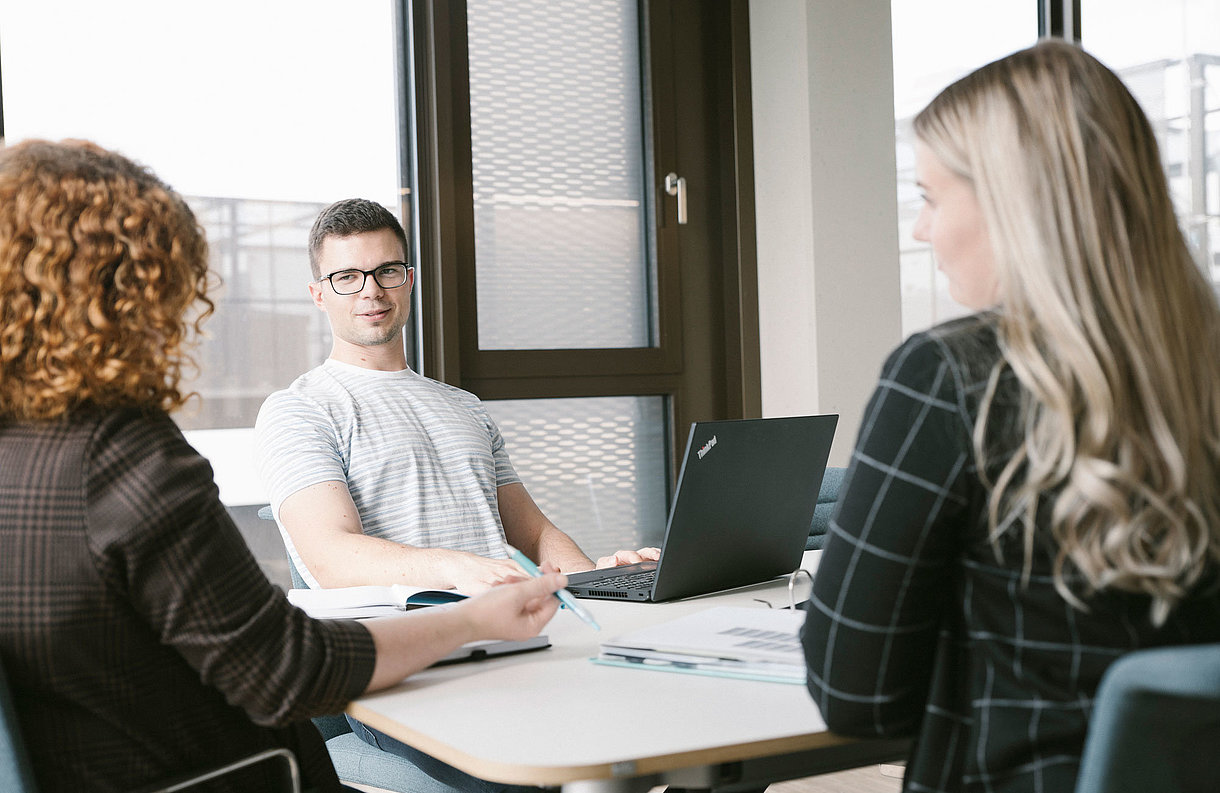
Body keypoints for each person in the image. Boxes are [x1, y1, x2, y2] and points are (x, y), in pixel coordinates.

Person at [0, 138, 565, 793]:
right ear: (134, 290)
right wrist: (472, 619)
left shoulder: (28, 452)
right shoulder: (124, 459)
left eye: (386, 271)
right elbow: (288, 668)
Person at [802, 40, 1220, 793]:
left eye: (929, 197)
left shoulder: (950, 377)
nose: (922, 231)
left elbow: (854, 695)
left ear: (1011, 200)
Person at [253, 197, 658, 595]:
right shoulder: (298, 410)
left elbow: (535, 537)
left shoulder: (464, 405)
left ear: (408, 279)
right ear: (318, 294)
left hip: (513, 628)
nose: (371, 291)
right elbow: (331, 558)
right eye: (347, 277)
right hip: (415, 642)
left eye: (387, 271)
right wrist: (461, 566)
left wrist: (602, 585)